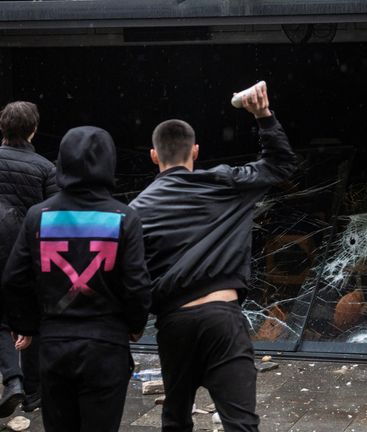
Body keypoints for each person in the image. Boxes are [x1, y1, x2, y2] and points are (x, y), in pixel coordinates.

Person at [129, 81, 296, 432]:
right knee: (241, 424)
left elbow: (131, 277)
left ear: (154, 156)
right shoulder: (223, 183)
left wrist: (130, 324)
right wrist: (263, 115)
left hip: (174, 325)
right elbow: (280, 165)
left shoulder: (136, 211)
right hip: (223, 319)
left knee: (175, 419)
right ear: (196, 151)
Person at [2, 126, 152, 432]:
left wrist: (29, 326)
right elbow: (137, 284)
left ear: (61, 163)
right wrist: (135, 325)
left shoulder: (38, 216)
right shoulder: (124, 217)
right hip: (106, 345)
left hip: (55, 343)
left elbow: (13, 280)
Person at [0, 101, 57, 417]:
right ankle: (34, 393)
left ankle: (14, 380)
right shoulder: (46, 169)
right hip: (26, 252)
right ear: (34, 130)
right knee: (33, 319)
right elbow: (52, 218)